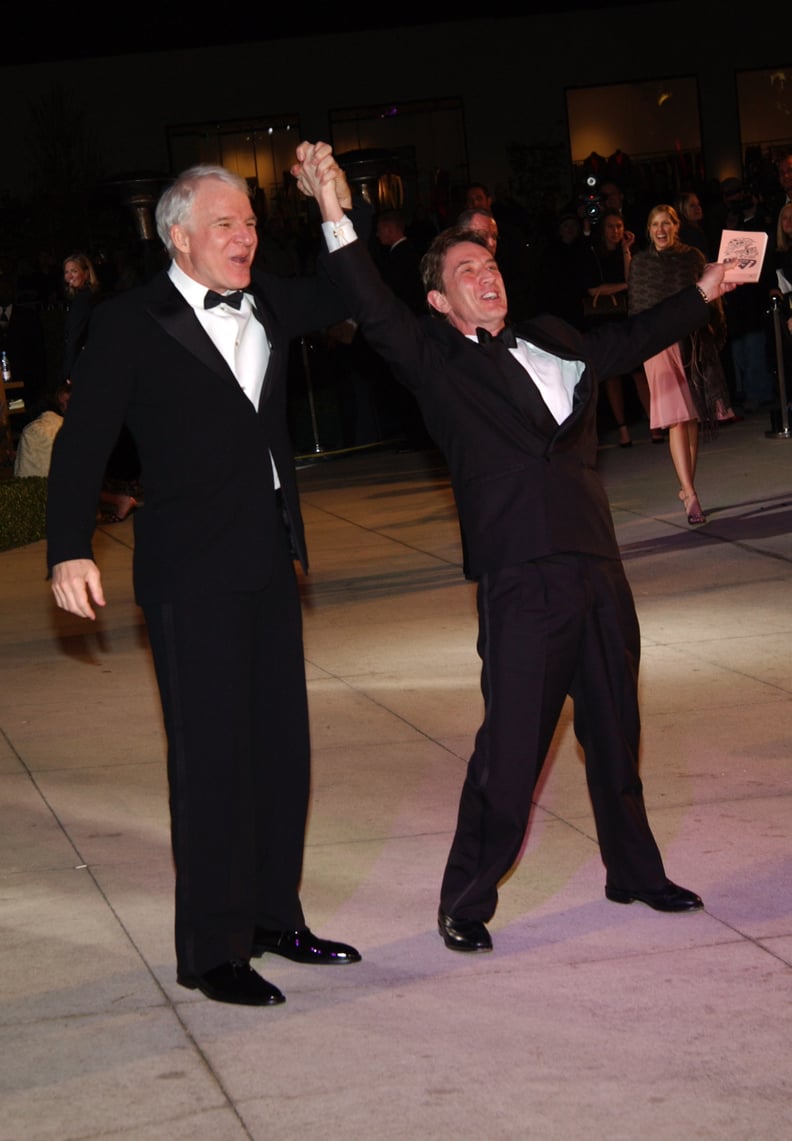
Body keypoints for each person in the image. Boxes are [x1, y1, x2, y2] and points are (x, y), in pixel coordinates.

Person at [293, 140, 736, 954]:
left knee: (615, 729)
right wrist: (331, 208)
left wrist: (706, 291)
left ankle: (632, 869)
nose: (485, 273)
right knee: (511, 748)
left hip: (598, 566)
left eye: (487, 261)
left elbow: (635, 335)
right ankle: (466, 897)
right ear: (438, 299)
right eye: (465, 270)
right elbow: (372, 304)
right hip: (520, 577)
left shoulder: (557, 335)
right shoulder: (435, 362)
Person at [47, 164, 361, 1007]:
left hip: (267, 561)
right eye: (226, 223)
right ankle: (211, 949)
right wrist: (69, 547)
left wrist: (332, 207)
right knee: (211, 763)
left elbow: (349, 290)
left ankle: (272, 918)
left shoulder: (267, 302)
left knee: (279, 754)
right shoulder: (127, 322)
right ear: (177, 235)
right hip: (189, 574)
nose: (245, 235)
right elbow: (82, 444)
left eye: (251, 221)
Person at [629, 205, 733, 526]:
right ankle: (689, 493)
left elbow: (709, 295)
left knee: (691, 418)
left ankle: (688, 487)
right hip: (659, 344)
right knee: (677, 418)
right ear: (649, 230)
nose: (661, 230)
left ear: (676, 227)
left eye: (667, 224)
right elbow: (638, 308)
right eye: (655, 225)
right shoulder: (641, 264)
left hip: (691, 342)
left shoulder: (692, 258)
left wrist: (715, 327)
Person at [582, 209, 657, 446]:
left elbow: (632, 279)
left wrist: (626, 250)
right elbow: (593, 289)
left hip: (626, 316)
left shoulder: (626, 252)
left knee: (639, 373)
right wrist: (623, 286)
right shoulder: (593, 254)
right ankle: (623, 429)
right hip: (602, 319)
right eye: (610, 226)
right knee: (612, 376)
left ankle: (655, 425)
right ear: (602, 229)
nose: (615, 231)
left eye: (619, 226)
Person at [62, 252, 102, 380]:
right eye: (66, 272)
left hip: (86, 364)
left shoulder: (83, 300)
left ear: (86, 273)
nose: (69, 276)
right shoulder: (89, 297)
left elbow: (75, 337)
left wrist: (67, 373)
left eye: (73, 271)